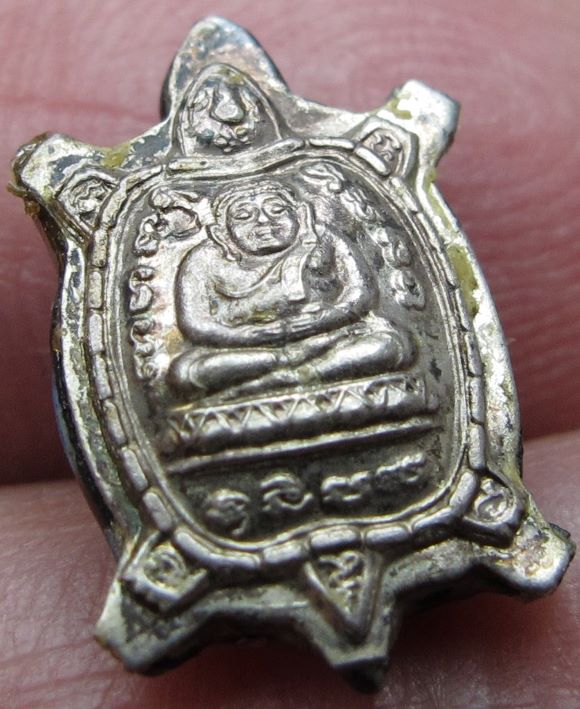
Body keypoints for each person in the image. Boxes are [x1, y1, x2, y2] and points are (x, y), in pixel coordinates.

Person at [170, 179, 414, 397]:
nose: (263, 220)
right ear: (221, 233)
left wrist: (322, 319)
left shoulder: (323, 238)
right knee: (187, 372)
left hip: (329, 335)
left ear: (301, 214)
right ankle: (293, 366)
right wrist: (253, 335)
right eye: (243, 216)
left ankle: (289, 378)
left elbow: (361, 293)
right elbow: (196, 324)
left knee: (389, 343)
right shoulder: (204, 259)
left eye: (277, 210)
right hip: (251, 349)